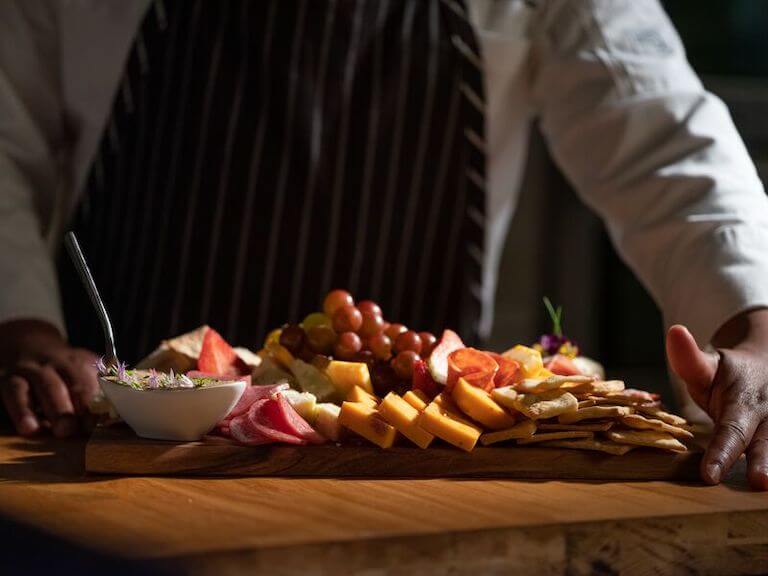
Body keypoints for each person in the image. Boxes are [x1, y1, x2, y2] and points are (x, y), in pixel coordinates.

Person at [0, 0, 766, 490]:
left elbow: (668, 143)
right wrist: (21, 330)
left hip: (413, 458)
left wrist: (756, 325)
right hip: (117, 453)